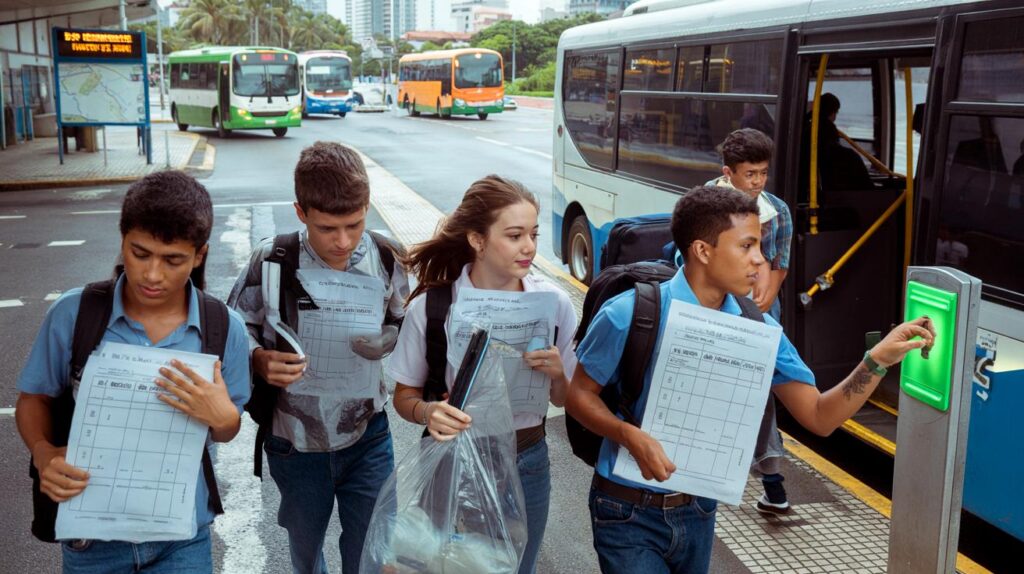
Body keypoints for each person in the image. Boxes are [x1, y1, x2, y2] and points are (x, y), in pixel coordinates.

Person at [566, 185, 935, 574]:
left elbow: (820, 416)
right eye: (746, 247)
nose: (761, 260)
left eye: (759, 246)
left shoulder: (757, 327)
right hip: (625, 511)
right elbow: (578, 396)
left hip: (699, 510)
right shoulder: (629, 313)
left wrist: (876, 361)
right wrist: (628, 435)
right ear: (703, 251)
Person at [16, 171, 252, 573]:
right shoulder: (74, 314)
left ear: (199, 255)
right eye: (140, 253)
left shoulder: (224, 327)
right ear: (122, 238)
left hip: (182, 539)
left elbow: (226, 428)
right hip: (91, 540)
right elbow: (33, 399)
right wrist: (43, 452)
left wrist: (225, 417)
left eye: (173, 259)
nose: (153, 275)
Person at [227, 141, 409, 574]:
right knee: (307, 556)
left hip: (368, 434)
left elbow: (403, 321)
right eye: (328, 228)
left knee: (373, 555)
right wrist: (257, 358)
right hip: (295, 441)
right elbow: (234, 326)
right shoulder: (272, 259)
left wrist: (388, 339)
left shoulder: (386, 257)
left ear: (367, 207)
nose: (343, 241)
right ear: (300, 211)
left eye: (355, 224)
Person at [387, 175, 578, 574]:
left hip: (526, 459)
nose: (528, 247)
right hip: (451, 459)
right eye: (514, 235)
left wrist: (558, 374)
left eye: (533, 234)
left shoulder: (554, 303)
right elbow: (404, 396)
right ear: (477, 239)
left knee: (516, 568)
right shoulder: (434, 307)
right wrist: (428, 413)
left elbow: (563, 399)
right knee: (446, 566)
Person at [705, 128, 793, 515]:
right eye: (750, 174)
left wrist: (766, 295)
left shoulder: (778, 211)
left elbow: (780, 263)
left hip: (758, 316)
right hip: (715, 313)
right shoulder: (705, 207)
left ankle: (773, 485)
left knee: (760, 395)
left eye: (763, 173)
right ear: (728, 173)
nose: (757, 182)